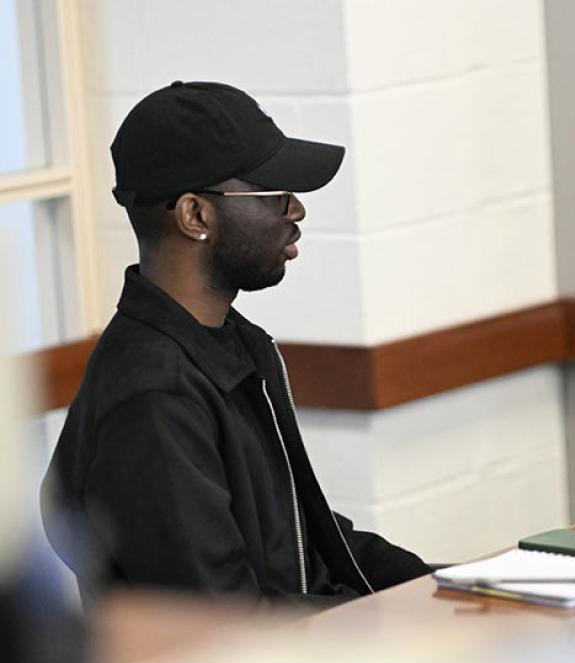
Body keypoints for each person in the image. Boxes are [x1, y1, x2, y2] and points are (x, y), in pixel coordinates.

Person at [41, 81, 430, 610]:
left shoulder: (237, 347)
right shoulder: (153, 397)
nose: (296, 210)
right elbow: (221, 619)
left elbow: (311, 543)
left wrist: (453, 587)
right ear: (195, 216)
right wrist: (400, 622)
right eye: (273, 192)